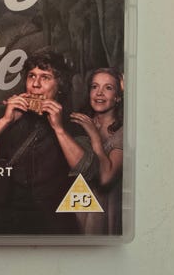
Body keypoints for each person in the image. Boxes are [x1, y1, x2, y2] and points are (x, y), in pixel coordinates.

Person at [0, 49, 97, 235]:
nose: (35, 84)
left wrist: (59, 129)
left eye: (45, 77)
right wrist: (5, 121)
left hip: (53, 216)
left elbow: (87, 169)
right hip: (6, 211)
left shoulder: (72, 121)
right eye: (31, 76)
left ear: (60, 84)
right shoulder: (8, 111)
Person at [70, 68, 124, 234]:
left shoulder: (123, 133)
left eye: (108, 88)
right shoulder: (78, 124)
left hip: (103, 211)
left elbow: (105, 179)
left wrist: (94, 135)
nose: (99, 93)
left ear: (117, 97)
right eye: (95, 87)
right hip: (74, 208)